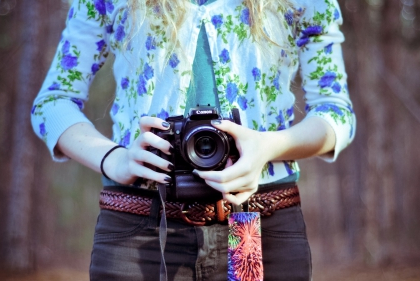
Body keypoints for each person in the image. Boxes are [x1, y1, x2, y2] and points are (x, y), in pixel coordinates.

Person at [31, 0, 355, 280]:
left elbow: (336, 112)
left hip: (260, 226)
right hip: (140, 228)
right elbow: (53, 102)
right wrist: (113, 158)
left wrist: (268, 146)